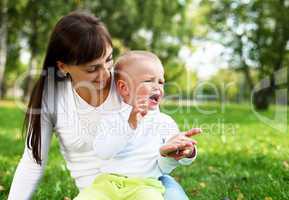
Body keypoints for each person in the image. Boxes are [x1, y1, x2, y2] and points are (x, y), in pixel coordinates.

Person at [8, 11, 199, 200]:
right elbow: (33, 163)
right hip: (99, 192)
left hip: (146, 183)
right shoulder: (52, 98)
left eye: (108, 60)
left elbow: (156, 148)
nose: (106, 74)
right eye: (92, 69)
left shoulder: (128, 85)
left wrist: (181, 152)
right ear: (63, 66)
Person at [74, 51, 200, 200]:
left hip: (145, 186)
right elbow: (103, 152)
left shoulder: (164, 122)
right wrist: (130, 125)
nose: (157, 87)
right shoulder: (110, 119)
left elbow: (164, 167)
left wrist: (185, 152)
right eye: (149, 81)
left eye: (161, 82)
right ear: (124, 88)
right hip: (107, 185)